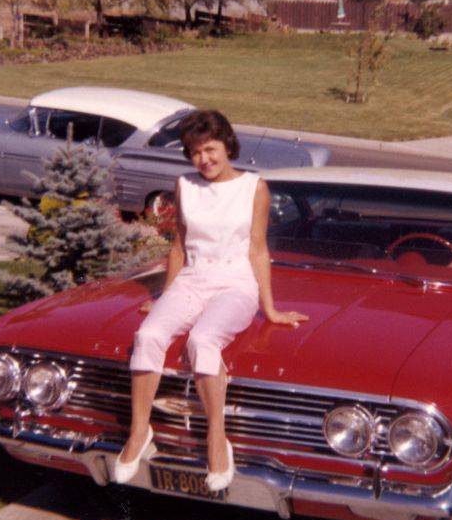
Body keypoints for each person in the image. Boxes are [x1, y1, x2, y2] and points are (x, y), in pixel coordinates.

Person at [113, 109, 308, 491]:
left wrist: (269, 308)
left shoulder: (254, 187)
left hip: (236, 283)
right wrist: (164, 298)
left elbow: (257, 250)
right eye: (196, 152)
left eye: (211, 149)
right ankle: (139, 433)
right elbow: (179, 248)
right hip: (192, 279)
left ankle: (216, 440)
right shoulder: (184, 185)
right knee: (149, 333)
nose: (204, 159)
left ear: (228, 145)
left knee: (203, 340)